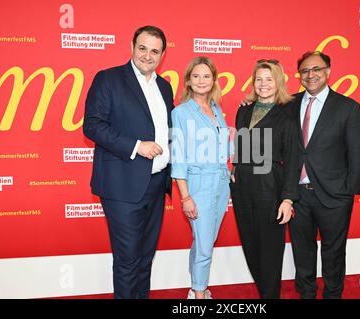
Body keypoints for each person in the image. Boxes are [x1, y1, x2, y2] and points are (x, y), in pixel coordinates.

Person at [83, 26, 174, 299]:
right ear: (132, 46)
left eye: (155, 51)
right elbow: (93, 126)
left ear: (162, 55)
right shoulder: (109, 79)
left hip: (157, 185)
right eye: (142, 48)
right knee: (128, 260)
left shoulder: (165, 86)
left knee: (145, 258)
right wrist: (136, 146)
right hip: (122, 185)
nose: (148, 55)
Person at [289, 51, 360, 299]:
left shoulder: (348, 107)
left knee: (333, 253)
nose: (310, 75)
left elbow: (359, 151)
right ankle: (306, 294)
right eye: (305, 71)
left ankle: (333, 295)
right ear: (299, 75)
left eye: (316, 69)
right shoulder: (288, 104)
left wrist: (348, 191)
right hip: (296, 195)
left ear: (328, 72)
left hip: (335, 195)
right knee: (302, 252)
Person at [230, 59, 299, 298]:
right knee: (251, 247)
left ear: (278, 81)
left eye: (269, 79)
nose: (263, 84)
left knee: (269, 251)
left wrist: (288, 199)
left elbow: (292, 161)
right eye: (259, 79)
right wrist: (235, 168)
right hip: (241, 189)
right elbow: (241, 147)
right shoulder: (244, 109)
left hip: (270, 187)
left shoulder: (287, 115)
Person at [171, 56, 231, 299]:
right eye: (196, 76)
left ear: (214, 80)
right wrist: (185, 196)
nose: (201, 81)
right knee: (205, 244)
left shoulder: (217, 109)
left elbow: (224, 148)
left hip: (221, 182)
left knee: (205, 240)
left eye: (206, 76)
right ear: (188, 80)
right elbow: (178, 156)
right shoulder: (181, 112)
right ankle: (198, 294)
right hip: (198, 184)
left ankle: (197, 285)